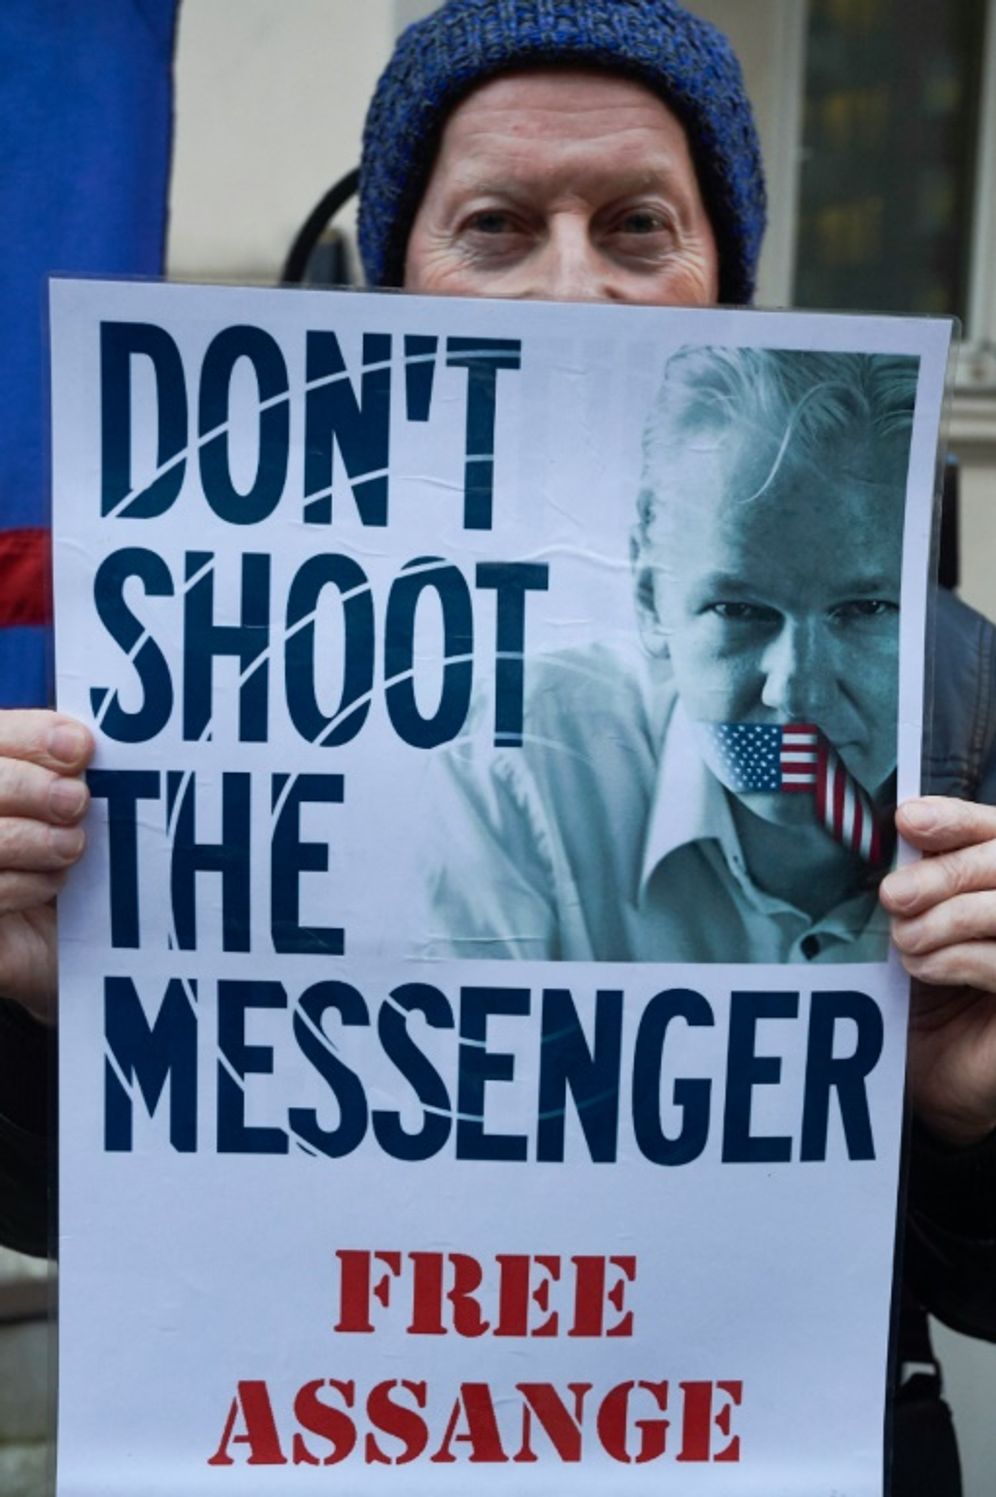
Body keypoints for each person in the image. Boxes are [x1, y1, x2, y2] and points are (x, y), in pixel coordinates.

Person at [1, 1, 994, 1489]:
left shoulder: (947, 695)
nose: (571, 292)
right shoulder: (183, 684)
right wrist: (48, 1013)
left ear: (728, 280)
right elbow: (72, 1220)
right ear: (394, 274)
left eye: (641, 226)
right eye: (497, 226)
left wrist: (976, 1117)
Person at [415, 345, 913, 964]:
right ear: (650, 597)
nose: (798, 690)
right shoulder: (519, 757)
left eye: (864, 609)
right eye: (740, 610)